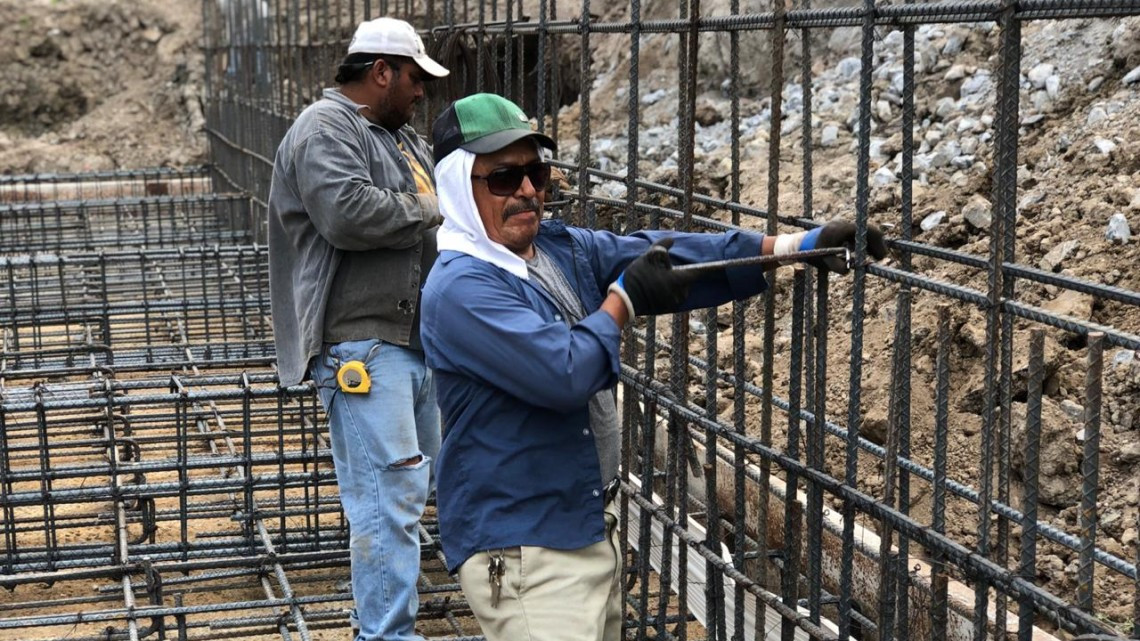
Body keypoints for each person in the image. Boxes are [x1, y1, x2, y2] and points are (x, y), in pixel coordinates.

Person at [419, 93, 886, 641]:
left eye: (536, 173)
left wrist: (789, 246)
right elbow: (564, 373)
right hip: (527, 551)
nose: (526, 191)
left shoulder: (550, 249)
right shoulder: (461, 288)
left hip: (585, 526)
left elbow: (663, 255)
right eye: (503, 178)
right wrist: (621, 301)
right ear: (458, 187)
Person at [266, 17, 449, 641]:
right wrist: (431, 209)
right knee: (385, 503)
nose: (422, 93)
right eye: (416, 80)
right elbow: (347, 213)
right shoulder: (326, 128)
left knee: (415, 491)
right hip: (363, 349)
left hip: (415, 345)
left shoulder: (397, 138)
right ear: (382, 72)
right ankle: (386, 635)